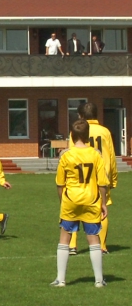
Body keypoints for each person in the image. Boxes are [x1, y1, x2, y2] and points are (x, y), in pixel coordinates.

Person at [50, 119, 108, 288]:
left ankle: (61, 279)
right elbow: (102, 183)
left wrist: (63, 202)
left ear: (72, 135)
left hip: (71, 201)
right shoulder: (96, 154)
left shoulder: (66, 155)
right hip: (91, 200)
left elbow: (60, 184)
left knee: (64, 238)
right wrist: (103, 203)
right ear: (87, 135)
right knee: (93, 239)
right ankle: (98, 280)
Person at [67, 102, 117, 255]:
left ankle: (72, 245)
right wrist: (113, 178)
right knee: (102, 208)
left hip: (80, 175)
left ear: (80, 116)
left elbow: (71, 153)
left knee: (74, 209)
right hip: (101, 175)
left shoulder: (76, 130)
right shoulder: (105, 131)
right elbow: (112, 157)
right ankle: (101, 246)